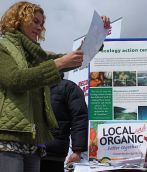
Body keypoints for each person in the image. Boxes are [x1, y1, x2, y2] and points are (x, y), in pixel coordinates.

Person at [0, 1, 111, 172]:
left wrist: (98, 34)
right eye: (34, 21)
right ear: (18, 20)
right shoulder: (2, 46)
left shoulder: (38, 54)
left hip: (34, 143)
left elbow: (77, 58)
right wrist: (57, 64)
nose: (39, 27)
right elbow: (15, 80)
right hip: (7, 141)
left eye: (41, 23)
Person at [40, 72, 88, 172]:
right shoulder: (30, 87)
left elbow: (79, 118)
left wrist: (77, 151)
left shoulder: (68, 87)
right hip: (27, 150)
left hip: (53, 153)